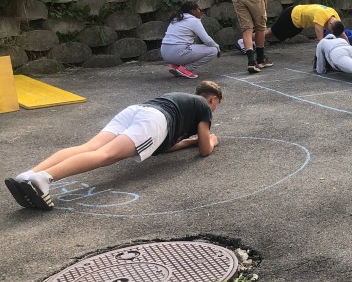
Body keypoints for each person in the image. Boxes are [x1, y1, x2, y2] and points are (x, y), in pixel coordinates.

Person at [5, 81, 223, 211]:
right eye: (217, 106)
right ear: (212, 99)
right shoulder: (203, 105)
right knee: (106, 155)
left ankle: (29, 175)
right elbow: (205, 149)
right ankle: (44, 179)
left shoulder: (183, 102)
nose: (213, 111)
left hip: (137, 111)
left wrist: (190, 141)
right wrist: (211, 140)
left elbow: (162, 147)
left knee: (89, 147)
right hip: (154, 121)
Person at [160, 1, 220, 79]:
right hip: (177, 53)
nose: (200, 12)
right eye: (198, 9)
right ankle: (186, 69)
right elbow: (207, 40)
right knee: (213, 50)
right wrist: (217, 47)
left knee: (191, 44)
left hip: (164, 52)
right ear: (193, 11)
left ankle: (175, 66)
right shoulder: (194, 20)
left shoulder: (176, 19)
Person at [264, 4, 341, 45]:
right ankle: (256, 40)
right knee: (270, 33)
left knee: (275, 34)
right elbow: (320, 42)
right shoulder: (321, 16)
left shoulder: (335, 17)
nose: (329, 31)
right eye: (329, 30)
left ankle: (260, 34)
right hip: (290, 16)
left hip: (298, 24)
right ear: (330, 23)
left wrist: (347, 46)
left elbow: (342, 33)